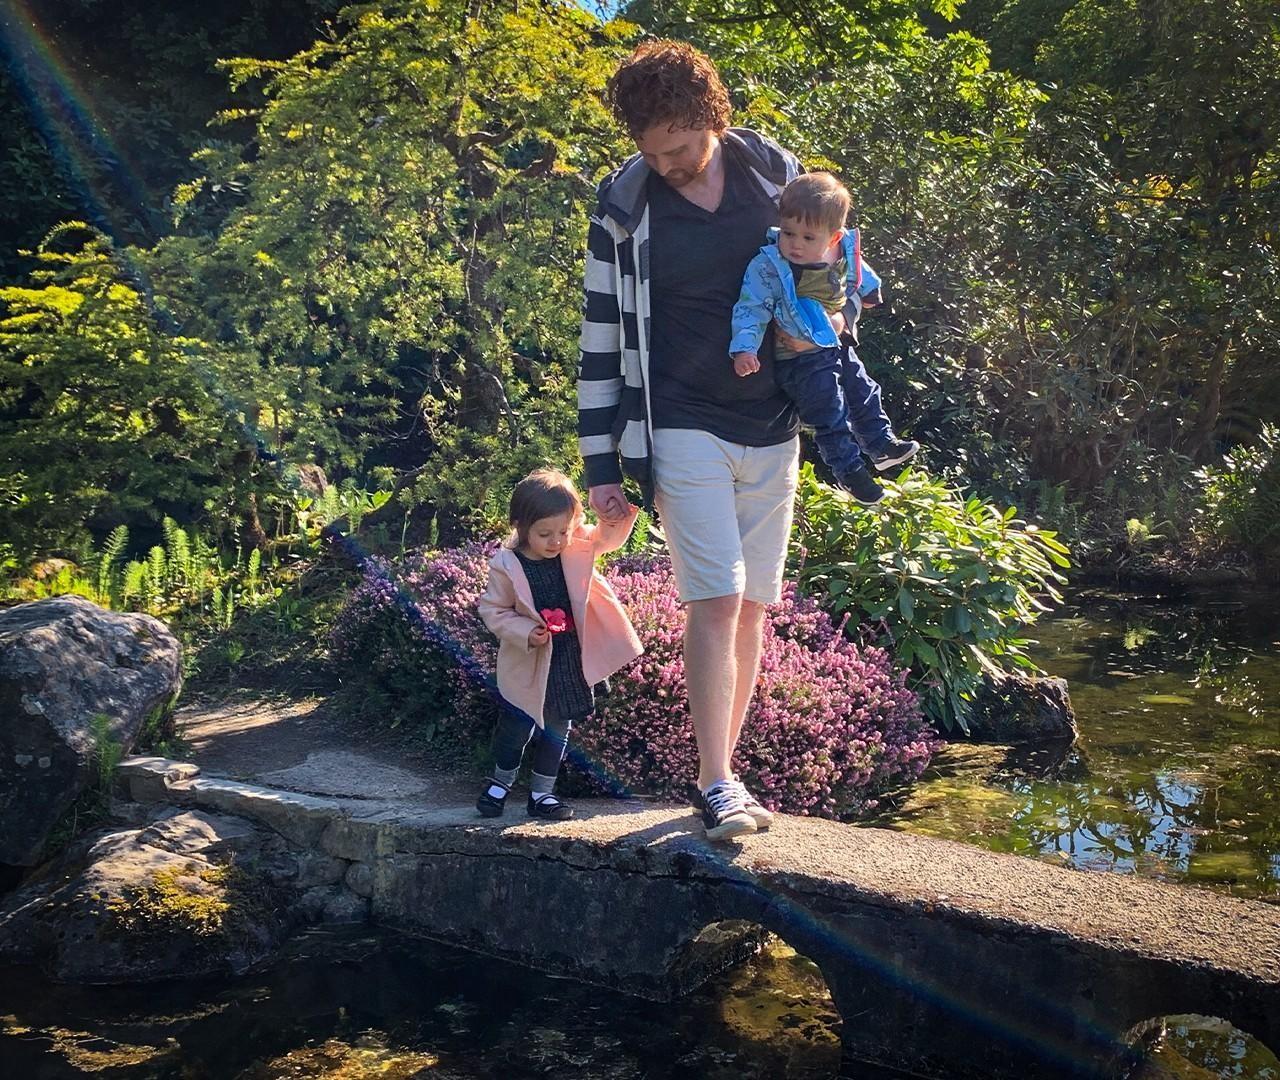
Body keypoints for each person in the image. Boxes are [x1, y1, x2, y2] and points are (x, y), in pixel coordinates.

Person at [578, 40, 900, 840]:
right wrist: (601, 464)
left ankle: (732, 773)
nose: (668, 165)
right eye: (653, 153)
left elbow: (831, 270)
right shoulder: (624, 207)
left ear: (710, 117)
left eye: (681, 148)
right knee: (715, 598)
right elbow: (598, 339)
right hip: (680, 421)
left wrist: (831, 329)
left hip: (774, 425)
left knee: (755, 605)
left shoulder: (775, 174)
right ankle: (715, 781)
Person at [730, 171, 919, 504]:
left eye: (808, 237)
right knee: (829, 411)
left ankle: (880, 444)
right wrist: (745, 349)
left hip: (833, 346)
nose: (795, 244)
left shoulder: (842, 252)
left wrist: (870, 291)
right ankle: (849, 471)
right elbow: (751, 307)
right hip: (799, 359)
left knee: (863, 389)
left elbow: (859, 273)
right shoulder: (770, 265)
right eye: (788, 233)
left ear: (833, 238)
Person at [475, 469, 642, 821]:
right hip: (531, 658)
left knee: (558, 727)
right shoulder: (507, 564)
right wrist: (524, 631)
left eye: (563, 531)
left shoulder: (575, 547)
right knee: (517, 723)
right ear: (521, 526)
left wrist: (612, 515)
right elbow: (493, 609)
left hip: (569, 657)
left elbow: (606, 539)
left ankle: (542, 793)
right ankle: (500, 783)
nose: (556, 541)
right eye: (544, 534)